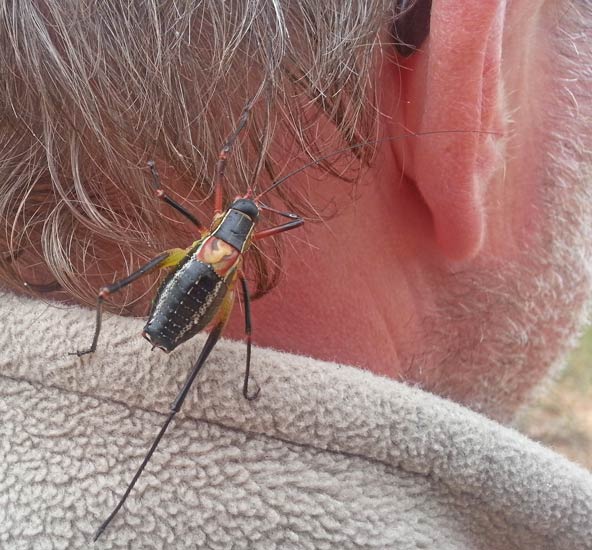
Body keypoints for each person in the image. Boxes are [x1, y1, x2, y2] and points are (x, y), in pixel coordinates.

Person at [1, 1, 591, 548]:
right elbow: (256, 202)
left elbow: (202, 181)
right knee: (218, 307)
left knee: (194, 305)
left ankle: (131, 381)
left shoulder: (217, 229)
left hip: (199, 276)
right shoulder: (242, 237)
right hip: (200, 281)